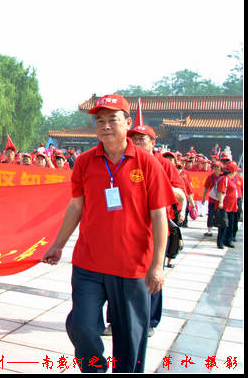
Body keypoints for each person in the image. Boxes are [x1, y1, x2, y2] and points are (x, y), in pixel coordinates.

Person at [41, 94, 175, 373]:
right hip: (89, 263)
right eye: (99, 121)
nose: (105, 126)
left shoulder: (147, 164)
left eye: (112, 119)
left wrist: (157, 265)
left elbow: (159, 216)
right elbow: (76, 206)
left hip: (132, 266)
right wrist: (58, 244)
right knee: (82, 325)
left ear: (127, 122)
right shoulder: (84, 162)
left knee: (130, 338)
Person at [103, 124, 186, 337]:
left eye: (142, 139)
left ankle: (149, 322)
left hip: (155, 231)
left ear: (153, 142)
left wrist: (155, 185)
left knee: (153, 275)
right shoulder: (123, 161)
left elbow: (180, 193)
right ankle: (115, 321)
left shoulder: (163, 165)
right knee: (116, 275)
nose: (138, 143)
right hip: (124, 229)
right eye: (135, 139)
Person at [216, 161, 240, 249]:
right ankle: (220, 242)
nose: (236, 173)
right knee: (223, 225)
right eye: (236, 171)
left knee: (230, 224)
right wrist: (221, 202)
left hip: (232, 207)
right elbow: (220, 191)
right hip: (225, 206)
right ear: (232, 171)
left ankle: (227, 240)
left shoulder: (230, 180)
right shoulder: (224, 179)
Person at [202, 162, 224, 237]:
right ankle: (209, 230)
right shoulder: (210, 177)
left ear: (221, 168)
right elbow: (206, 188)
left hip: (220, 200)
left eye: (218, 167)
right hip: (212, 199)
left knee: (220, 216)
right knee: (210, 214)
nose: (216, 169)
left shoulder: (223, 177)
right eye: (215, 167)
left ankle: (220, 230)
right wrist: (203, 197)